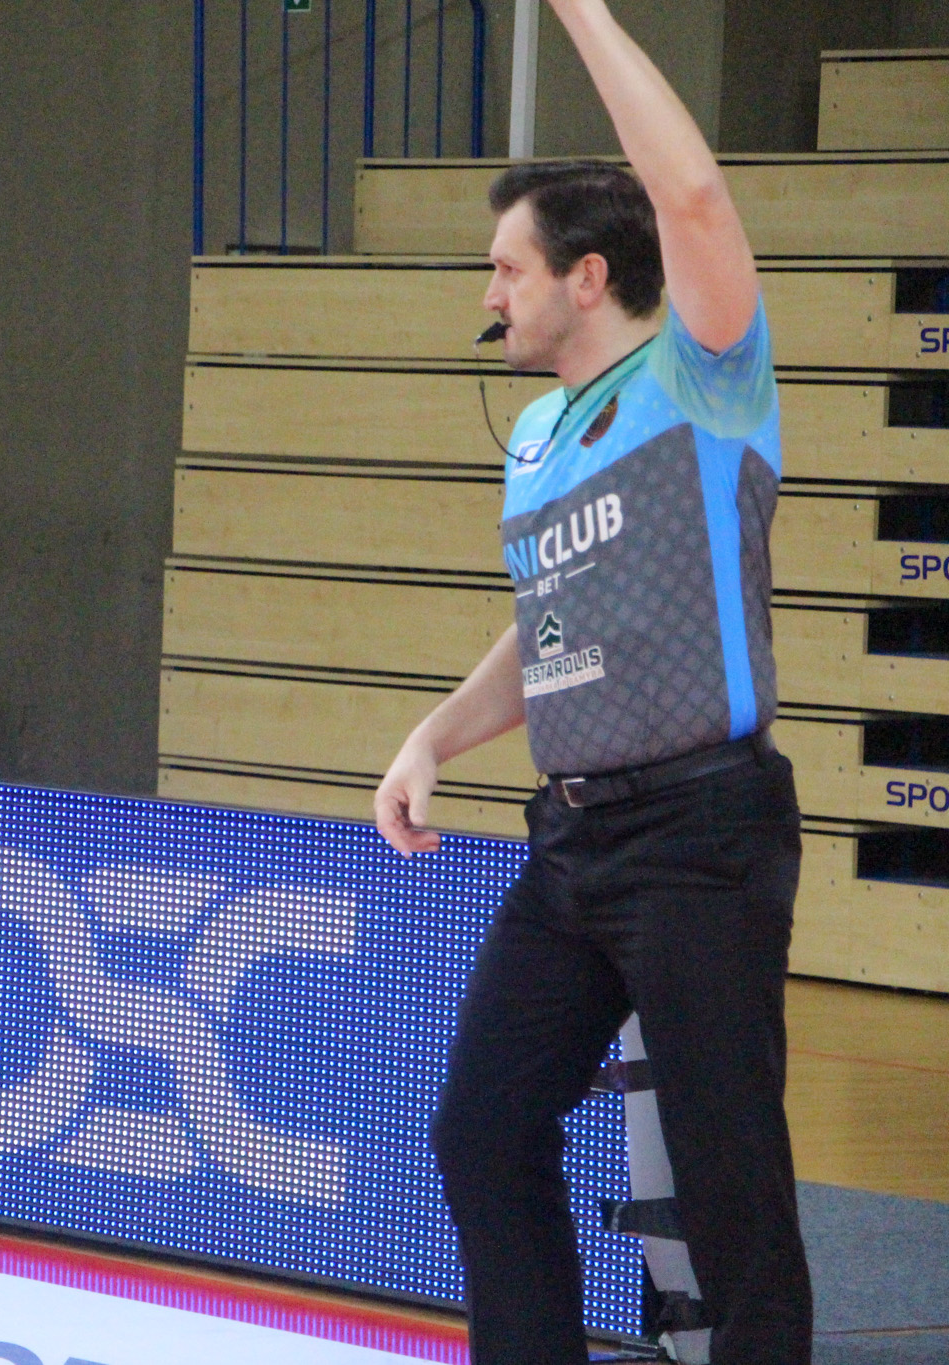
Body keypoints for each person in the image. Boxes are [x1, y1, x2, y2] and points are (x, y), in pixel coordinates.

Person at [371, 3, 810, 1361]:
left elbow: (692, 196)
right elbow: (545, 627)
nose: (488, 293)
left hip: (700, 833)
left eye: (506, 267)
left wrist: (578, 11)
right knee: (482, 1126)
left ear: (590, 275)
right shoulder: (537, 436)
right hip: (570, 842)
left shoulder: (704, 374)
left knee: (730, 1182)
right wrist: (434, 736)